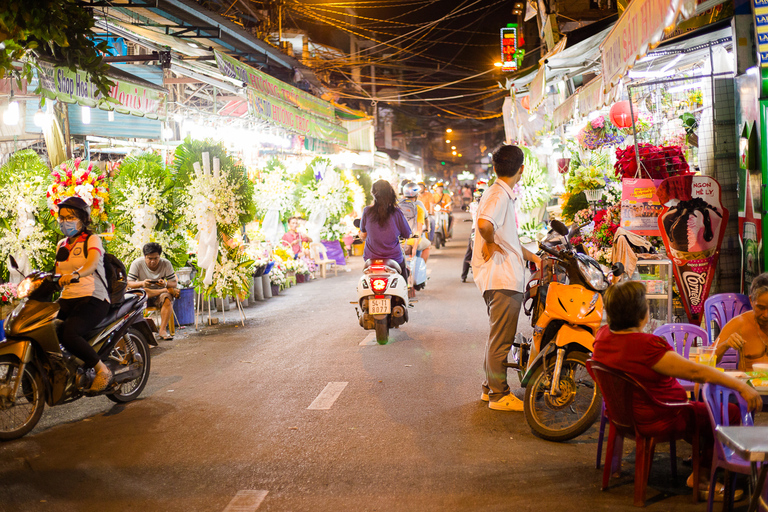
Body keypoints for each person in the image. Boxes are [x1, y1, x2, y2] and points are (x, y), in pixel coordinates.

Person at [593, 280, 762, 500]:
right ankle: (701, 478)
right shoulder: (646, 346)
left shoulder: (603, 336)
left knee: (705, 410)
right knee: (728, 412)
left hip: (622, 416)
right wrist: (741, 386)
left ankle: (703, 459)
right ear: (641, 313)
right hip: (661, 416)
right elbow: (696, 372)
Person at [472, 145, 541, 412]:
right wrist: (488, 242)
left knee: (497, 337)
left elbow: (506, 238)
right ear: (521, 169)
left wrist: (533, 257)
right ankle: (500, 395)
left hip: (501, 276)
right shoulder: (499, 194)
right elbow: (485, 225)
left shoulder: (498, 192)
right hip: (502, 277)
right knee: (502, 339)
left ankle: (490, 388)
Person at [54, 196, 112, 392]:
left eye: (69, 217)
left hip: (93, 297)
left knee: (69, 333)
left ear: (82, 218)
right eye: (61, 217)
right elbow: (57, 274)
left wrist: (76, 274)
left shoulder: (92, 239)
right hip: (68, 298)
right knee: (45, 327)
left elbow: (92, 264)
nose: (64, 221)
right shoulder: (62, 244)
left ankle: (102, 369)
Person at [712, 272, 768, 370]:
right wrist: (726, 344)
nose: (766, 315)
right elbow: (709, 358)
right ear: (751, 300)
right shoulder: (740, 323)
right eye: (760, 307)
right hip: (747, 384)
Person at [359, 180, 411, 279]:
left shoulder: (367, 211)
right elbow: (407, 234)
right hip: (393, 257)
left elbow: (363, 234)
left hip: (371, 258)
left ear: (373, 194)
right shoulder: (396, 213)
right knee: (403, 274)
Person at [127, 242, 178, 340]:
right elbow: (129, 284)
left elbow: (174, 283)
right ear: (144, 257)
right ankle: (143, 331)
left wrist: (165, 284)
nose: (153, 261)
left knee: (167, 298)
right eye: (149, 258)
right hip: (144, 294)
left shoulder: (166, 263)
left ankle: (162, 330)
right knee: (140, 292)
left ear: (160, 256)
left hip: (160, 294)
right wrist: (142, 283)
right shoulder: (137, 263)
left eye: (156, 258)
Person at [399, 182, 431, 265]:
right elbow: (418, 231)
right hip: (411, 240)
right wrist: (414, 248)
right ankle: (421, 266)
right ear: (416, 195)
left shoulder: (397, 206)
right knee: (427, 245)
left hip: (397, 241)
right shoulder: (418, 207)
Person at [461, 182, 486, 282]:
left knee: (469, 252)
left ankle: (463, 275)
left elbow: (472, 215)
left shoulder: (472, 205)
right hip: (483, 229)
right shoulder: (486, 204)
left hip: (476, 229)